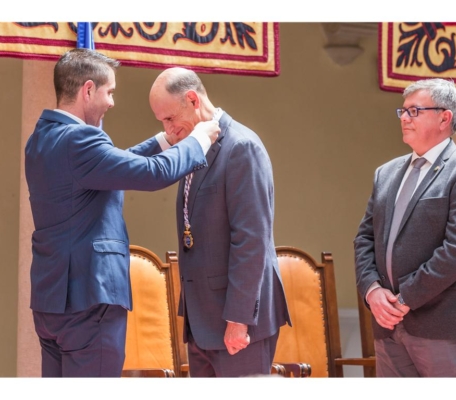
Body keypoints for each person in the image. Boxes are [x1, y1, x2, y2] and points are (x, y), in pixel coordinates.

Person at [24, 48, 220, 377]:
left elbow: (112, 167)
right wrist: (197, 140)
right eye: (110, 92)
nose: (112, 102)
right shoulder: (80, 140)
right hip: (89, 298)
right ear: (88, 90)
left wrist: (163, 140)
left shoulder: (41, 139)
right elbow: (150, 174)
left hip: (52, 301)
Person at [149, 67, 291, 377]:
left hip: (237, 321)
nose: (169, 131)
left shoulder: (241, 147)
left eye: (170, 119)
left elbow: (251, 240)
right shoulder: (195, 145)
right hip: (202, 322)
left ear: (192, 100)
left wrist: (238, 320)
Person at [354, 78, 456, 377]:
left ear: (445, 117)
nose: (404, 117)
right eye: (403, 111)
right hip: (388, 324)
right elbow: (365, 238)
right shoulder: (386, 173)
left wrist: (404, 299)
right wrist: (372, 291)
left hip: (443, 325)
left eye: (414, 111)